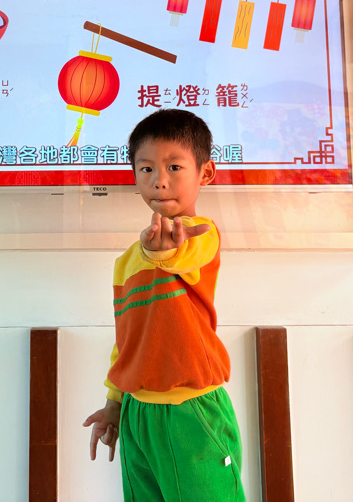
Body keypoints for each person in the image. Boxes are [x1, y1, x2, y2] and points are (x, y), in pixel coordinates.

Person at [82, 109, 245, 501]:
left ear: (206, 172)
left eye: (174, 166)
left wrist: (163, 253)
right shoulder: (127, 261)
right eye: (146, 169)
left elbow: (182, 254)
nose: (159, 180)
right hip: (137, 415)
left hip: (191, 411)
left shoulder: (202, 235)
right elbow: (129, 341)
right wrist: (114, 403)